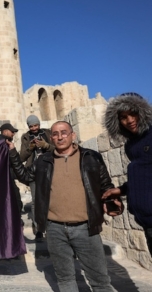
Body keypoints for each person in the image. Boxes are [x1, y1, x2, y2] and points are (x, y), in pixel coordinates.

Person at [8, 120, 123, 292]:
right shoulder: (43, 161)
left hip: (87, 228)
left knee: (100, 281)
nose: (59, 137)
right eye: (55, 134)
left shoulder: (91, 157)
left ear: (72, 135)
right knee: (65, 280)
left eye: (63, 132)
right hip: (55, 229)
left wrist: (110, 202)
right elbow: (25, 176)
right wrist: (12, 154)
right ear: (51, 138)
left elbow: (105, 185)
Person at [103, 92, 152, 255]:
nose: (130, 120)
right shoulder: (131, 145)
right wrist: (122, 190)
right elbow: (143, 175)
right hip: (146, 220)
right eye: (124, 117)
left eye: (133, 114)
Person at [20, 115, 54, 241]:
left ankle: (51, 226)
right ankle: (38, 228)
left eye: (36, 125)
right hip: (33, 172)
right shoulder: (25, 137)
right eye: (31, 126)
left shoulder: (48, 133)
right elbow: (22, 157)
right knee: (35, 201)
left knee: (51, 198)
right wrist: (30, 147)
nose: (34, 128)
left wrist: (45, 145)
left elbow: (56, 149)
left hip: (49, 170)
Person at [0, 123, 23, 213]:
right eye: (12, 132)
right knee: (15, 200)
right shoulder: (1, 143)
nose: (13, 134)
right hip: (4, 178)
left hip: (5, 177)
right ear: (5, 132)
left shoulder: (1, 142)